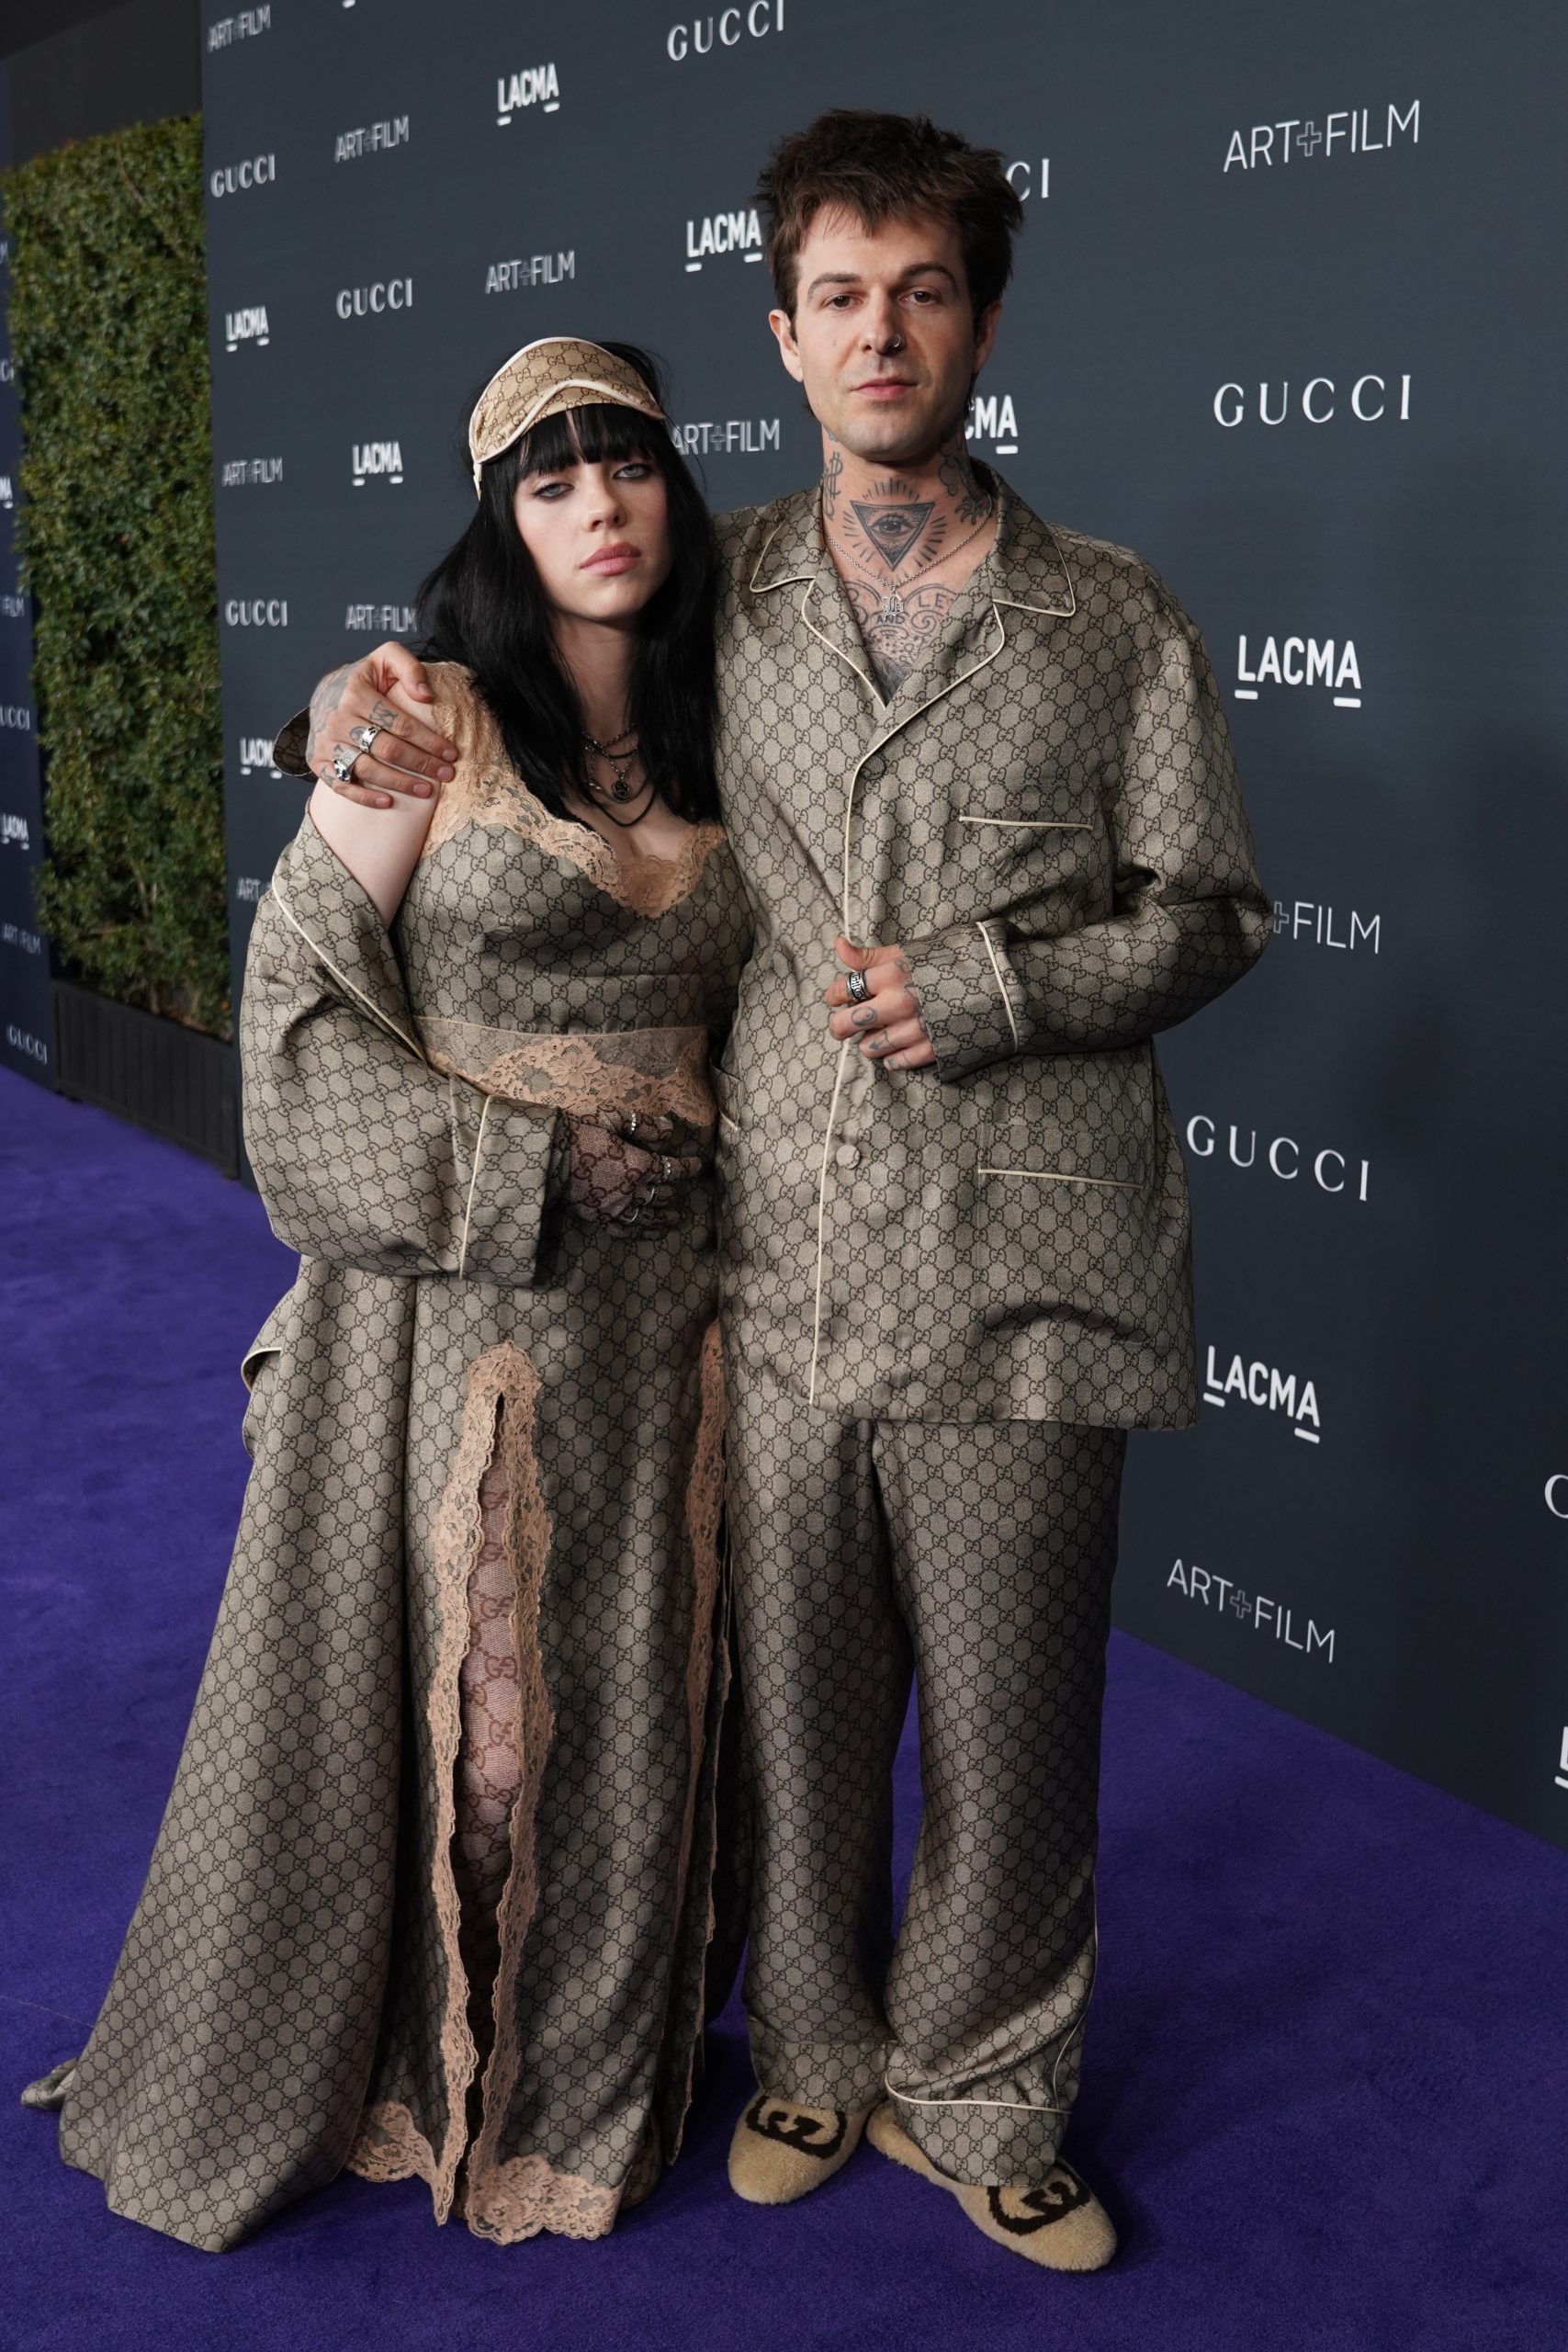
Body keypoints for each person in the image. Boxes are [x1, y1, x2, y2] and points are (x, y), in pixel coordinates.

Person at [285, 109, 1271, 2275]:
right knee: (802, 1714)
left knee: (1012, 1729)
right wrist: (365, 711)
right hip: (778, 1267)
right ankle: (817, 2055)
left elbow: (1209, 911)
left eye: (923, 290)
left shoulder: (1112, 617)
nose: (882, 331)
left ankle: (989, 2091)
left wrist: (996, 983)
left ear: (982, 322)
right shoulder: (715, 579)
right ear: (785, 332)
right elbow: (525, 655)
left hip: (1029, 1264)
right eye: (840, 294)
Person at [22, 340, 754, 2253]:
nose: (598, 505)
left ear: (677, 489)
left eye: (628, 468)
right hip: (464, 1311)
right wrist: (531, 1168)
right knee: (484, 1730)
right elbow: (298, 1020)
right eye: (549, 479)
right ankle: (418, 2067)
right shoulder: (423, 717)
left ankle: (580, 2093)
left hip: (684, 1318)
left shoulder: (729, 709)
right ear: (499, 522)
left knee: (639, 1704)